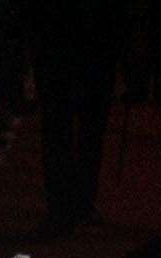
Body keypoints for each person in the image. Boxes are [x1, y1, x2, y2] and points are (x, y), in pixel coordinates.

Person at [23, 3, 119, 237]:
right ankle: (66, 205)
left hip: (89, 35)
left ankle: (75, 204)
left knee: (80, 128)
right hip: (66, 35)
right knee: (67, 128)